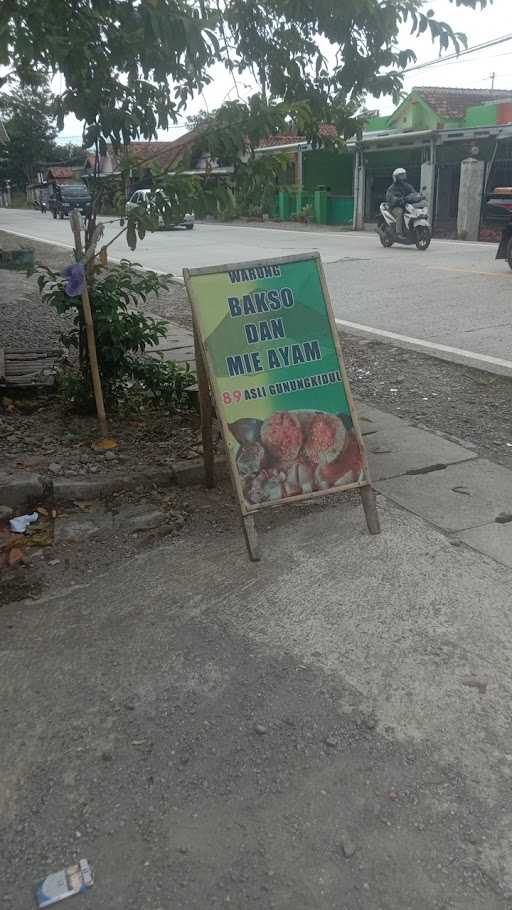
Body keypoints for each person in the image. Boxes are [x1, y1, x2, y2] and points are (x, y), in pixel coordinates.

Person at [385, 167, 418, 235]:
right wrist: (396, 199)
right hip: (395, 207)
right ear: (396, 177)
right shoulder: (392, 188)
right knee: (400, 212)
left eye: (403, 175)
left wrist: (418, 196)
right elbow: (390, 197)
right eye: (400, 175)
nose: (402, 177)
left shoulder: (407, 186)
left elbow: (413, 192)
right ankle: (398, 232)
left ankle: (410, 229)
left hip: (405, 205)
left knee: (415, 212)